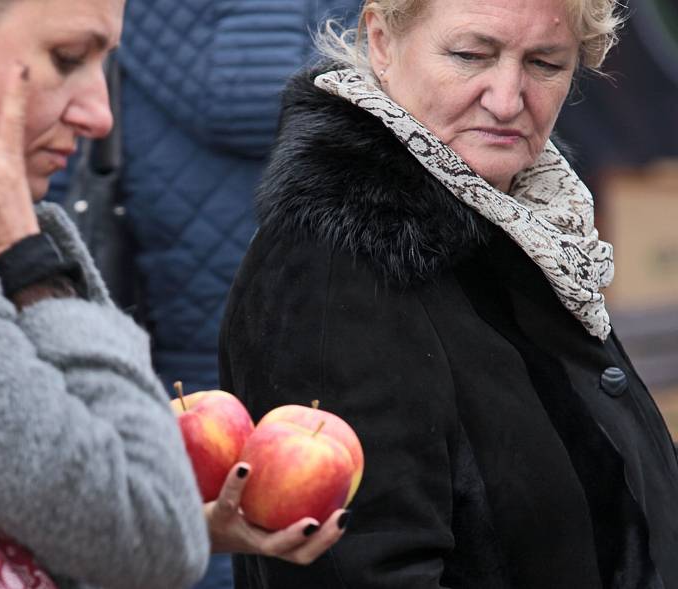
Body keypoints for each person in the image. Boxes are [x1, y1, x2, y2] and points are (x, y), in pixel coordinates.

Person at [0, 0, 345, 587]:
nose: (101, 115)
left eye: (105, 65)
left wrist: (176, 518)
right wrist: (34, 269)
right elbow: (149, 541)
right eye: (66, 57)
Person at [218, 0, 678, 586]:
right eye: (470, 55)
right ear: (382, 41)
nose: (508, 100)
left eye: (544, 64)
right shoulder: (339, 266)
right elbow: (365, 565)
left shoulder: (534, 222)